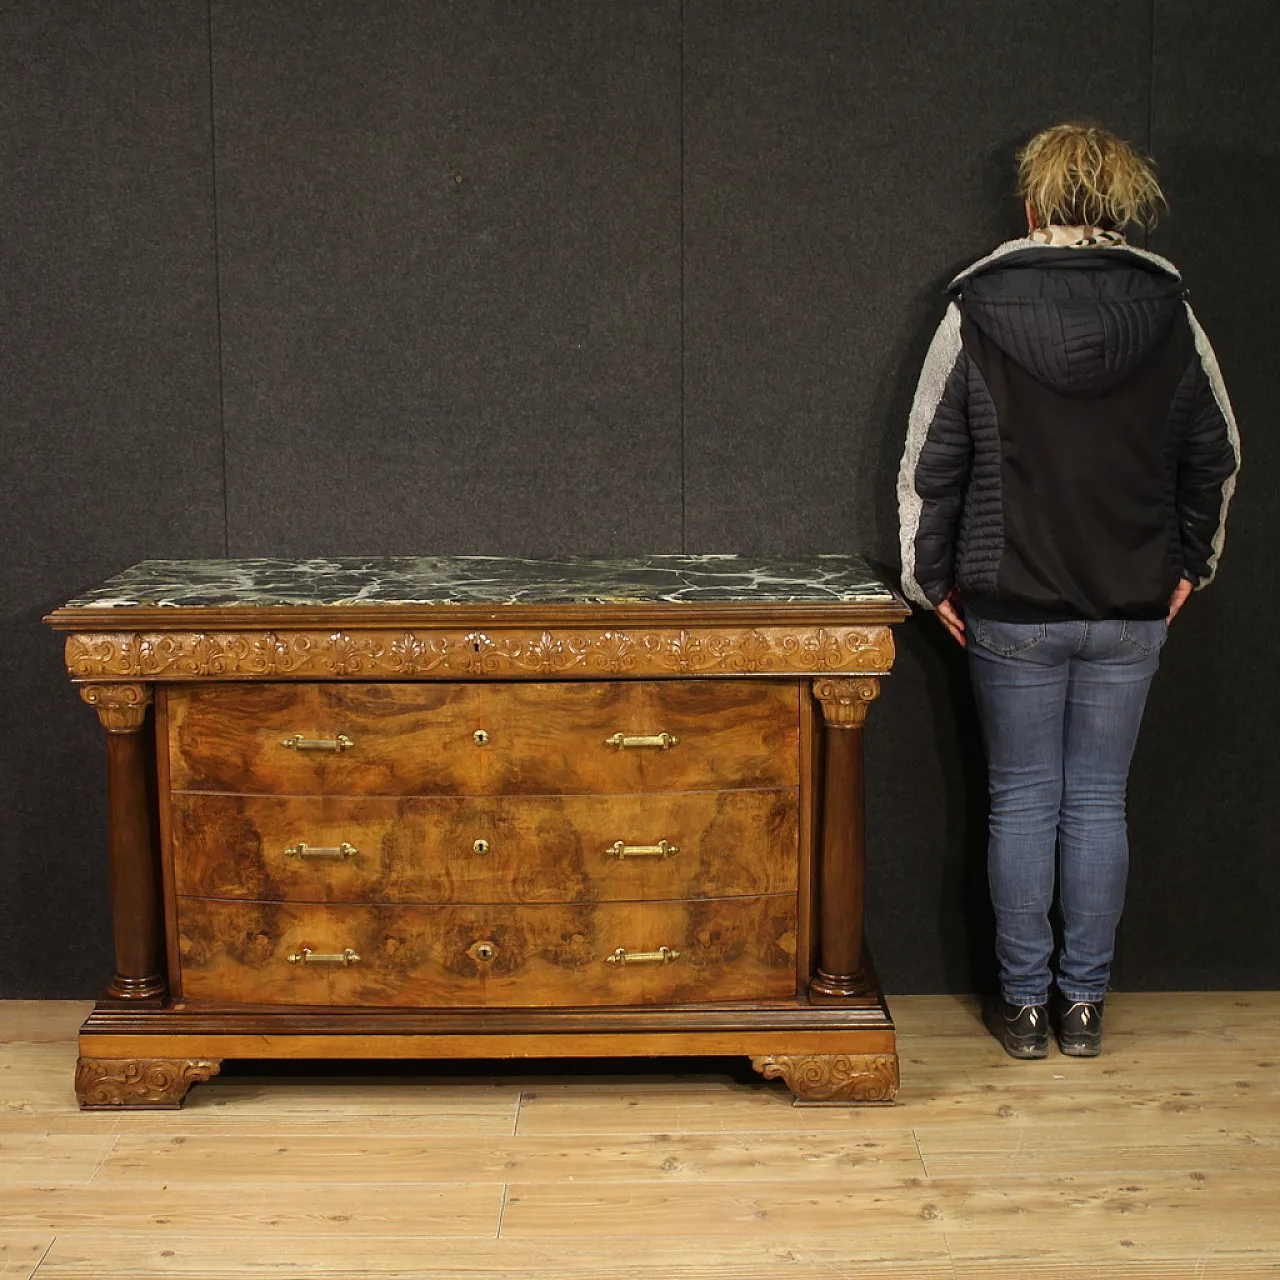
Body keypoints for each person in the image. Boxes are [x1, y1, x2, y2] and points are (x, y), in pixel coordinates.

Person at [897, 123, 1240, 1059]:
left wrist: (931, 584)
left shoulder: (977, 308)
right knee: (1097, 802)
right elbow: (1217, 458)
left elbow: (932, 466)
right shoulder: (1172, 314)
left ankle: (1025, 1010)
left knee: (1020, 802)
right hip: (1130, 604)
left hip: (1010, 602)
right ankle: (1084, 1007)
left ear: (1034, 205)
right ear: (1119, 207)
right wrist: (1190, 566)